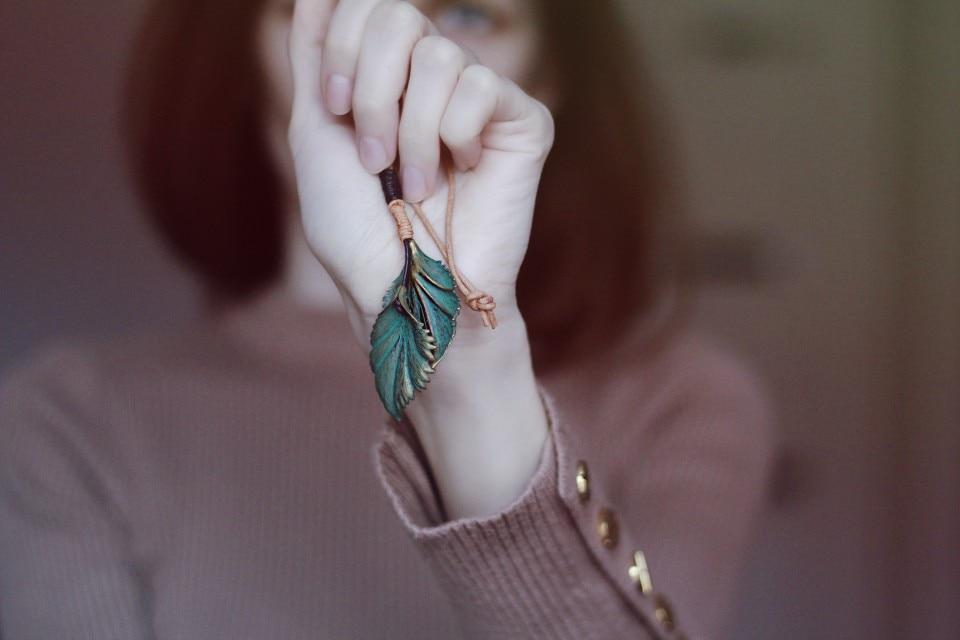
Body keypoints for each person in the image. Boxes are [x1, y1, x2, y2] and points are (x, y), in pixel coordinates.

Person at [0, 0, 775, 638]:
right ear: (240, 60)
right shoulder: (68, 425)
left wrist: (469, 360)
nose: (398, 60)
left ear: (554, 78)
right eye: (331, 10)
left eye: (468, 15)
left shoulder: (683, 404)